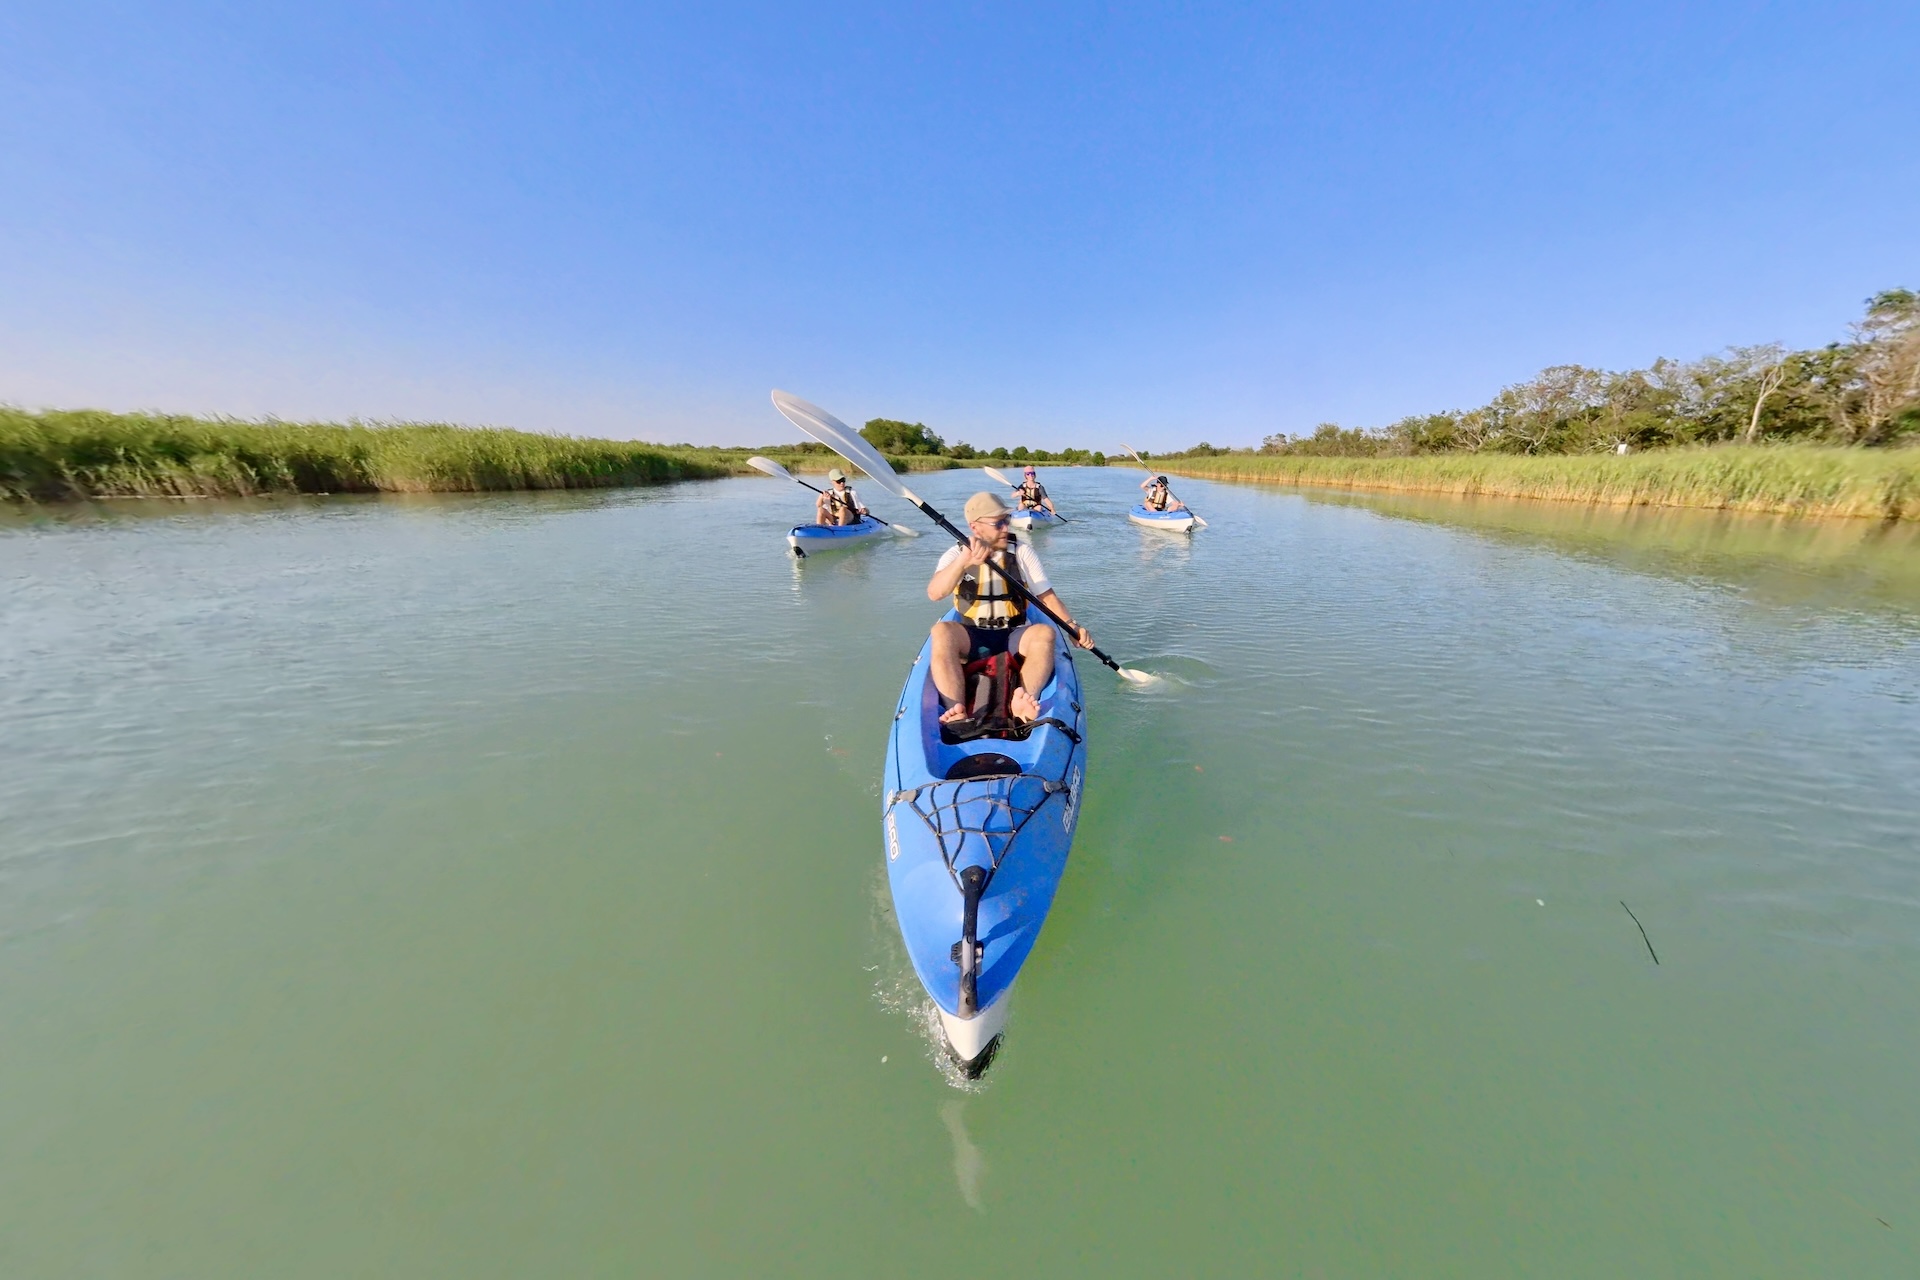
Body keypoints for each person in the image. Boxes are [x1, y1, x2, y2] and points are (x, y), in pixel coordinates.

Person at [926, 492, 1093, 725]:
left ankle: (1024, 700)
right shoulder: (956, 554)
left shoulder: (1021, 552)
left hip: (1014, 633)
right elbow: (935, 593)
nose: (1006, 527)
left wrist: (1073, 627)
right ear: (975, 527)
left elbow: (1047, 597)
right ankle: (956, 710)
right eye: (998, 523)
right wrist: (963, 562)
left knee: (1045, 633)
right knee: (941, 631)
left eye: (1008, 519)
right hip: (972, 635)